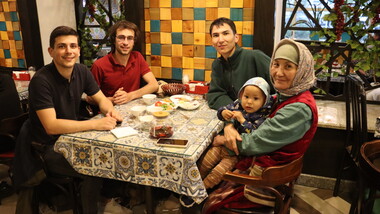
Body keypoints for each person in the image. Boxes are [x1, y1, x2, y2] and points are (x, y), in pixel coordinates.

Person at [12, 26, 124, 214]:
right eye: (62, 46)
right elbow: (51, 126)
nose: (69, 51)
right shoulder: (41, 81)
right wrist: (95, 123)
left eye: (73, 46)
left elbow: (101, 98)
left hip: (71, 138)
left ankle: (109, 200)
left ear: (79, 50)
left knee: (111, 154)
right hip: (45, 148)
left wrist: (110, 111)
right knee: (94, 167)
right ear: (51, 51)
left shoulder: (81, 70)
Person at [202, 38, 318, 213]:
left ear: (302, 70)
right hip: (263, 164)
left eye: (288, 66)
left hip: (265, 181)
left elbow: (250, 144)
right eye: (276, 64)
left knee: (208, 199)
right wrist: (229, 125)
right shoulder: (284, 95)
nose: (278, 72)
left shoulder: (298, 109)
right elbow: (238, 106)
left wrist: (223, 139)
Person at [198, 77, 273, 190]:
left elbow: (254, 135)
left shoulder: (262, 116)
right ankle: (193, 187)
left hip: (235, 155)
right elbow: (223, 109)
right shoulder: (238, 104)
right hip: (222, 147)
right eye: (246, 96)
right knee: (204, 164)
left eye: (256, 98)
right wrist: (223, 112)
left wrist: (243, 121)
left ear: (264, 101)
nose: (249, 102)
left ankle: (201, 191)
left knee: (217, 173)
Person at [206, 17, 274, 110]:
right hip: (236, 117)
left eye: (225, 33)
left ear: (236, 37)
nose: (220, 40)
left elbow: (279, 89)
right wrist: (235, 111)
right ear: (212, 42)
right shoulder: (217, 65)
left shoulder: (255, 57)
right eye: (216, 35)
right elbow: (216, 95)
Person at [90, 20, 159, 105]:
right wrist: (114, 99)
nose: (126, 43)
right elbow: (89, 98)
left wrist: (130, 96)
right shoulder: (99, 65)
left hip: (135, 109)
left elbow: (154, 85)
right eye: (121, 37)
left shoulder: (137, 57)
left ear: (134, 41)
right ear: (114, 40)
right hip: (109, 113)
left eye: (130, 38)